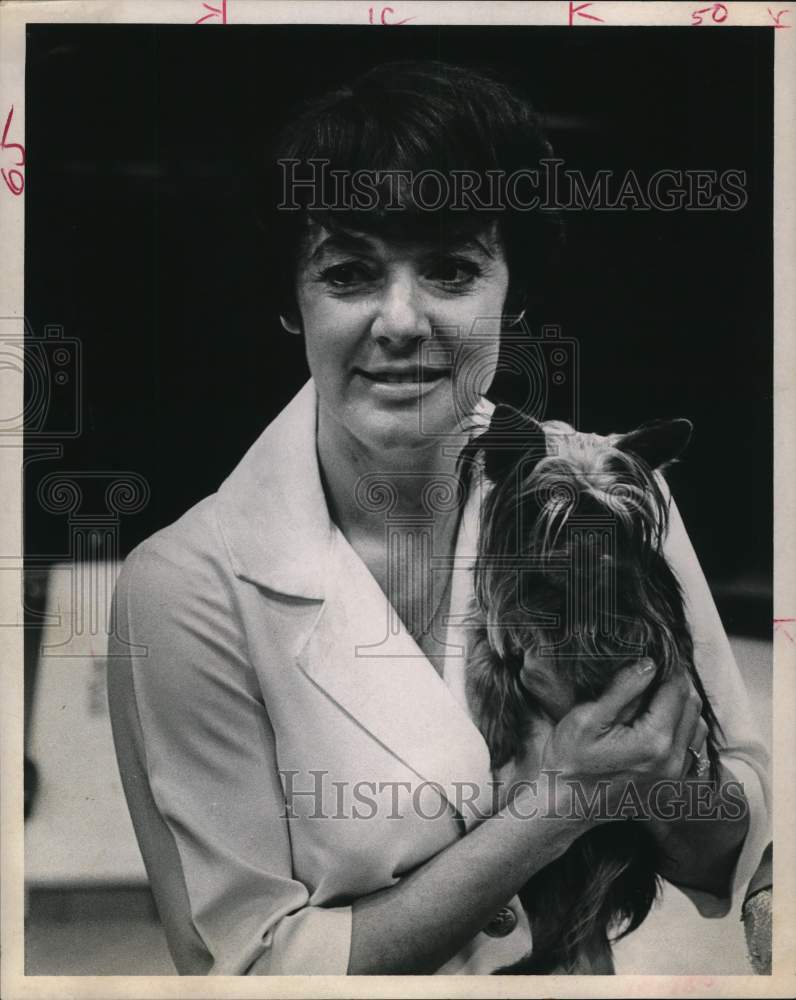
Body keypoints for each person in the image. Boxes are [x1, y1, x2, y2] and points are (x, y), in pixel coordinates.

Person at [106, 60, 770, 976]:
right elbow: (254, 970)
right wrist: (561, 805)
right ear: (289, 304)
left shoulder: (610, 487)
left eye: (454, 269)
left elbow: (737, 850)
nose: (403, 321)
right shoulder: (186, 585)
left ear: (516, 292)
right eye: (348, 273)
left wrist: (670, 783)